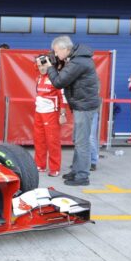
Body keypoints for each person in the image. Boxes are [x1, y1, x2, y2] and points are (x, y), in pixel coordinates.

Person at [41, 35, 100, 186]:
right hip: (81, 104)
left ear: (65, 49)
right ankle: (76, 171)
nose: (55, 55)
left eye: (56, 52)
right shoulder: (76, 59)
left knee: (82, 142)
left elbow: (59, 82)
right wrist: (57, 65)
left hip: (84, 106)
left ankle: (82, 176)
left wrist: (49, 68)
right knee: (78, 140)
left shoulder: (78, 62)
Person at [33, 55, 64, 177]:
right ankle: (40, 165)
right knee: (39, 140)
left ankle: (54, 168)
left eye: (43, 65)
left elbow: (62, 97)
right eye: (39, 66)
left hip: (51, 114)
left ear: (49, 64)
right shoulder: (39, 77)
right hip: (38, 113)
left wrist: (62, 114)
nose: (41, 68)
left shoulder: (56, 77)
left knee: (52, 141)